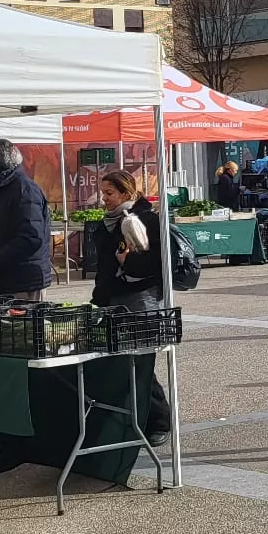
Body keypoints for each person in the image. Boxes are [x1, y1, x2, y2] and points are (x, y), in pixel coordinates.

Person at [90, 170, 175, 440]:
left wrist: (128, 262)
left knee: (142, 360)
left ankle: (159, 422)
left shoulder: (147, 220)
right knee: (120, 360)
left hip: (141, 296)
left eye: (109, 193)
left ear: (126, 194)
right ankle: (131, 419)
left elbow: (160, 263)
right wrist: (99, 296)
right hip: (112, 297)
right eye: (103, 193)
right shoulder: (107, 223)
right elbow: (104, 265)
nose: (104, 198)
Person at [0, 138, 52, 301]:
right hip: (7, 278)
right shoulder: (0, 189)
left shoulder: (24, 191)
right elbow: (4, 233)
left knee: (22, 326)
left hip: (24, 281)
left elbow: (30, 238)